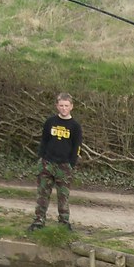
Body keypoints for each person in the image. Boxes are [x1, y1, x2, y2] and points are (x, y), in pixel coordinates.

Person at [29, 93, 83, 232]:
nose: (64, 108)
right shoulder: (50, 122)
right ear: (56, 106)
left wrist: (71, 164)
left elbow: (77, 147)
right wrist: (41, 158)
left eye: (66, 106)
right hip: (47, 163)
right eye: (61, 106)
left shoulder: (75, 126)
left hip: (64, 166)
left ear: (71, 107)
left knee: (63, 196)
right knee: (43, 194)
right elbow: (44, 141)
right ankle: (39, 221)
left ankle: (64, 222)